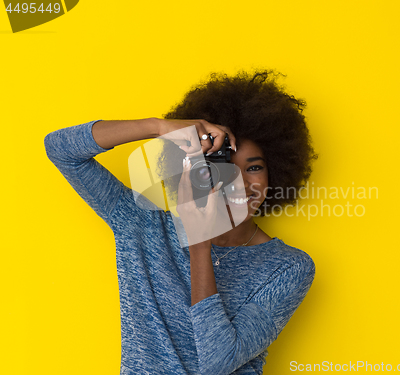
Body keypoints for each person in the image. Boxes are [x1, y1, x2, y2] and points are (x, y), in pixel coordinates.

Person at [44, 70, 318, 375]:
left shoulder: (288, 267)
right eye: (224, 167)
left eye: (254, 167)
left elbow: (218, 361)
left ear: (276, 173)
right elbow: (60, 150)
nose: (240, 183)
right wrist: (158, 128)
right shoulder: (141, 224)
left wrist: (199, 238)